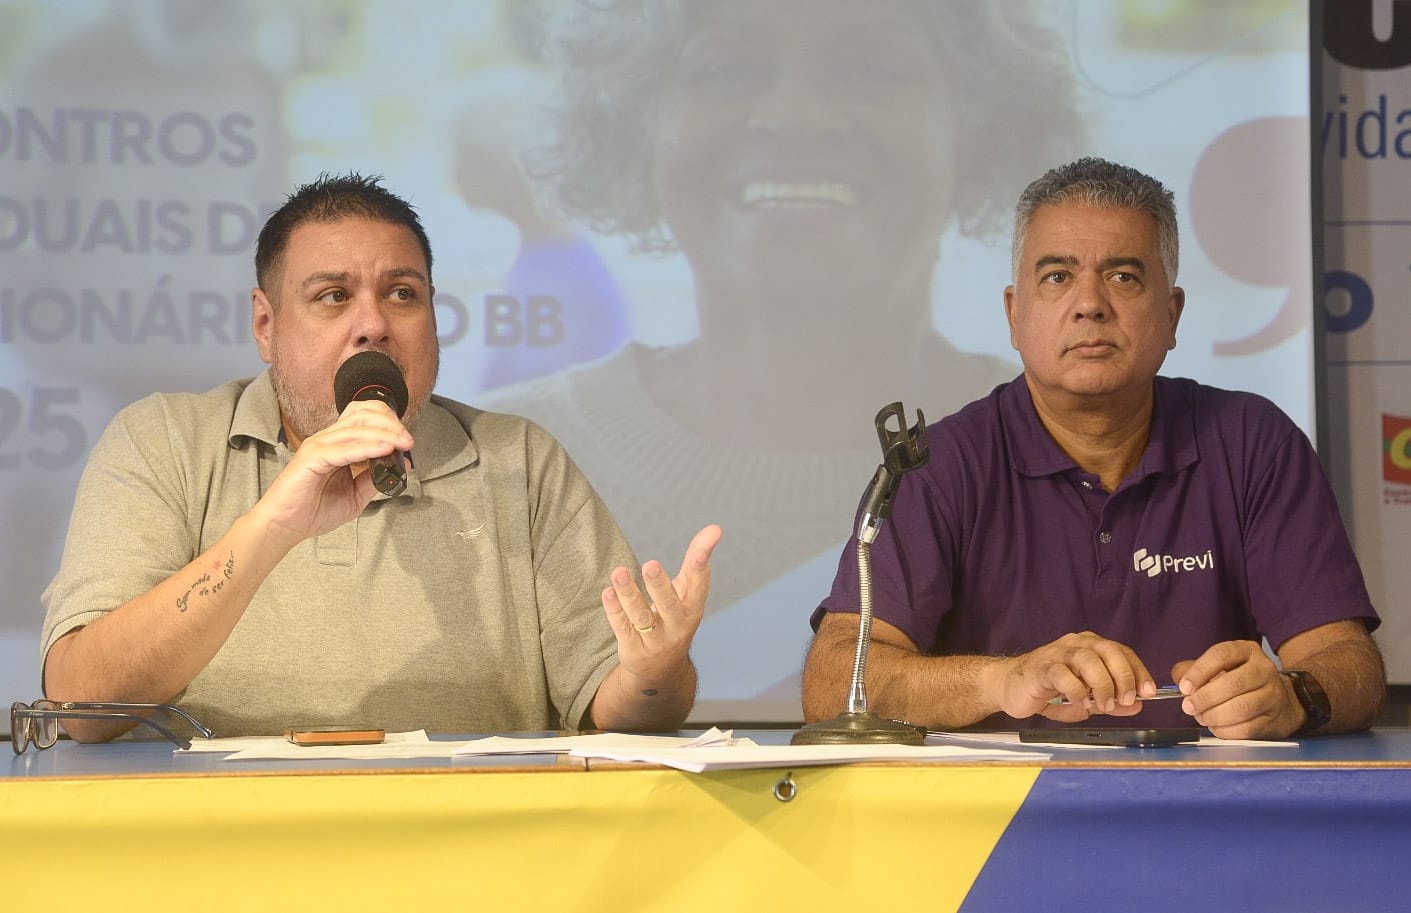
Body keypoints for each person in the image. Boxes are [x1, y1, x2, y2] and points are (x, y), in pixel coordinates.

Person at [477, 0, 1083, 711]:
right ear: (634, 124)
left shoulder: (1070, 447)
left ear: (975, 128)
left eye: (872, 70)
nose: (797, 119)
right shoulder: (520, 456)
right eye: (727, 70)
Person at [39, 173, 721, 740]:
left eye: (402, 294)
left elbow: (626, 706)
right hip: (219, 843)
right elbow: (79, 705)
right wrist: (273, 525)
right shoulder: (161, 440)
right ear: (266, 326)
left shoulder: (519, 459)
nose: (373, 324)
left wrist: (655, 673)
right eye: (332, 296)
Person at [802, 157, 1384, 740]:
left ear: (1172, 314)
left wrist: (1293, 696)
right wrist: (1003, 680)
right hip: (996, 799)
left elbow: (1348, 661)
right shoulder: (939, 464)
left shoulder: (1254, 443)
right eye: (1057, 276)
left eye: (1123, 276)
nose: (1090, 304)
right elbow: (831, 687)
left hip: (1204, 792)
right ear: (1014, 314)